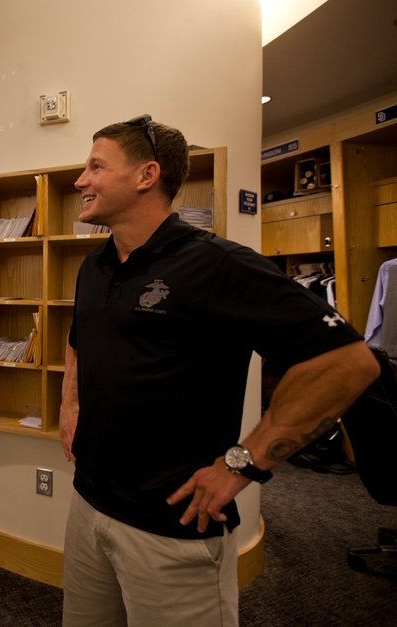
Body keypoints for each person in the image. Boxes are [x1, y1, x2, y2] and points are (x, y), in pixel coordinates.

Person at [59, 115, 380, 626]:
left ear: (146, 175)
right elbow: (79, 338)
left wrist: (243, 463)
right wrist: (70, 403)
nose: (81, 181)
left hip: (174, 526)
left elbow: (348, 362)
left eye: (96, 166)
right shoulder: (93, 266)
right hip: (88, 506)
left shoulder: (217, 264)